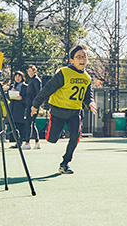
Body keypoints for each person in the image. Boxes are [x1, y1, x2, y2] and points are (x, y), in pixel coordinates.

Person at [31, 44, 97, 174]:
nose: (82, 59)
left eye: (84, 57)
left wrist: (90, 103)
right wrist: (35, 104)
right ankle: (54, 129)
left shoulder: (87, 78)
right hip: (58, 111)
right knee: (52, 139)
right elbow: (47, 89)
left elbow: (87, 95)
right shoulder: (64, 73)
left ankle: (65, 163)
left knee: (75, 136)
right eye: (78, 57)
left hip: (75, 112)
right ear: (72, 60)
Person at [6, 71, 28, 149]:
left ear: (22, 77)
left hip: (21, 108)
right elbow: (7, 96)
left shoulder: (25, 86)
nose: (17, 78)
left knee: (20, 126)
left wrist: (22, 98)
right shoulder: (12, 86)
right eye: (16, 76)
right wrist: (11, 92)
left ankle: (20, 142)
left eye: (19, 76)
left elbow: (28, 98)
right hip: (12, 108)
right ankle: (16, 142)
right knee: (13, 125)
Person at [26, 64, 42, 149]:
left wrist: (35, 106)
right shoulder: (31, 80)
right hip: (30, 104)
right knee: (31, 123)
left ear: (35, 71)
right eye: (29, 71)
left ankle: (27, 142)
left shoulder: (36, 80)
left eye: (32, 71)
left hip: (33, 105)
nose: (30, 73)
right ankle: (36, 142)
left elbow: (38, 93)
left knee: (29, 123)